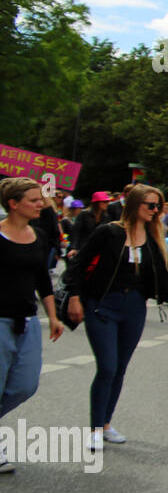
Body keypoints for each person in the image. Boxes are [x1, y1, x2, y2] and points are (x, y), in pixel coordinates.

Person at [64, 185, 168, 450]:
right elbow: (79, 263)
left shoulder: (154, 239)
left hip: (134, 307)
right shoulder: (109, 232)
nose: (155, 211)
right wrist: (74, 296)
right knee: (106, 367)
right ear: (134, 205)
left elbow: (163, 276)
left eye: (158, 207)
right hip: (102, 304)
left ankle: (106, 424)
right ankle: (95, 428)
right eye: (150, 205)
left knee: (119, 369)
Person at [0, 179, 65, 472]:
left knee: (25, 386)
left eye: (40, 199)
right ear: (13, 204)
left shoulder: (38, 236)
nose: (41, 204)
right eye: (34, 199)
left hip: (27, 322)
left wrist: (53, 316)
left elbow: (42, 281)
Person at [69, 191, 111, 258]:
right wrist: (74, 248)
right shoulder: (84, 214)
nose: (107, 204)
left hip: (98, 250)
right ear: (96, 203)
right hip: (82, 248)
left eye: (107, 201)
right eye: (104, 201)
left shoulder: (106, 216)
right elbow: (76, 232)